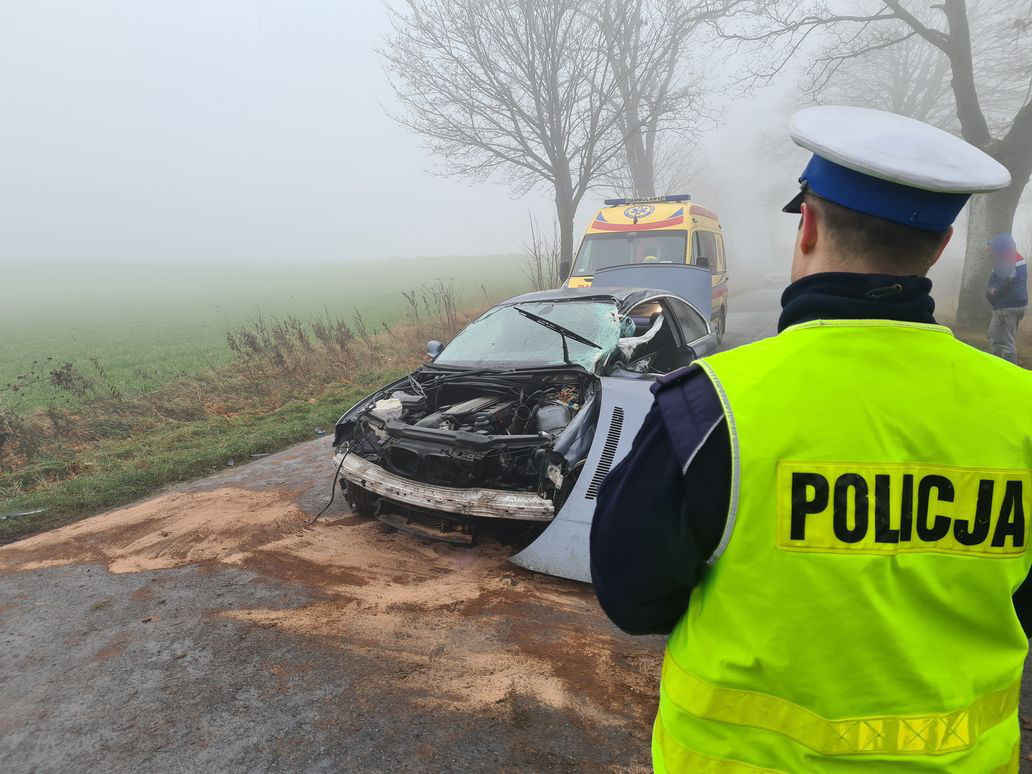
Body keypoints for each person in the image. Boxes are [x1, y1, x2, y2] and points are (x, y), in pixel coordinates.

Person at [590, 105, 1032, 773]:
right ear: (938, 249)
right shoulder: (1020, 412)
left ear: (810, 226)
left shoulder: (713, 405)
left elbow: (631, 594)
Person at [986, 233, 1027, 363]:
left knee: (1004, 343)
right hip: (1011, 305)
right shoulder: (1012, 257)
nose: (989, 250)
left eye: (992, 247)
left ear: (1000, 246)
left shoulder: (1007, 258)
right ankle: (999, 368)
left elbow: (1008, 279)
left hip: (1007, 306)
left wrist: (994, 292)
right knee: (997, 339)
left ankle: (1008, 373)